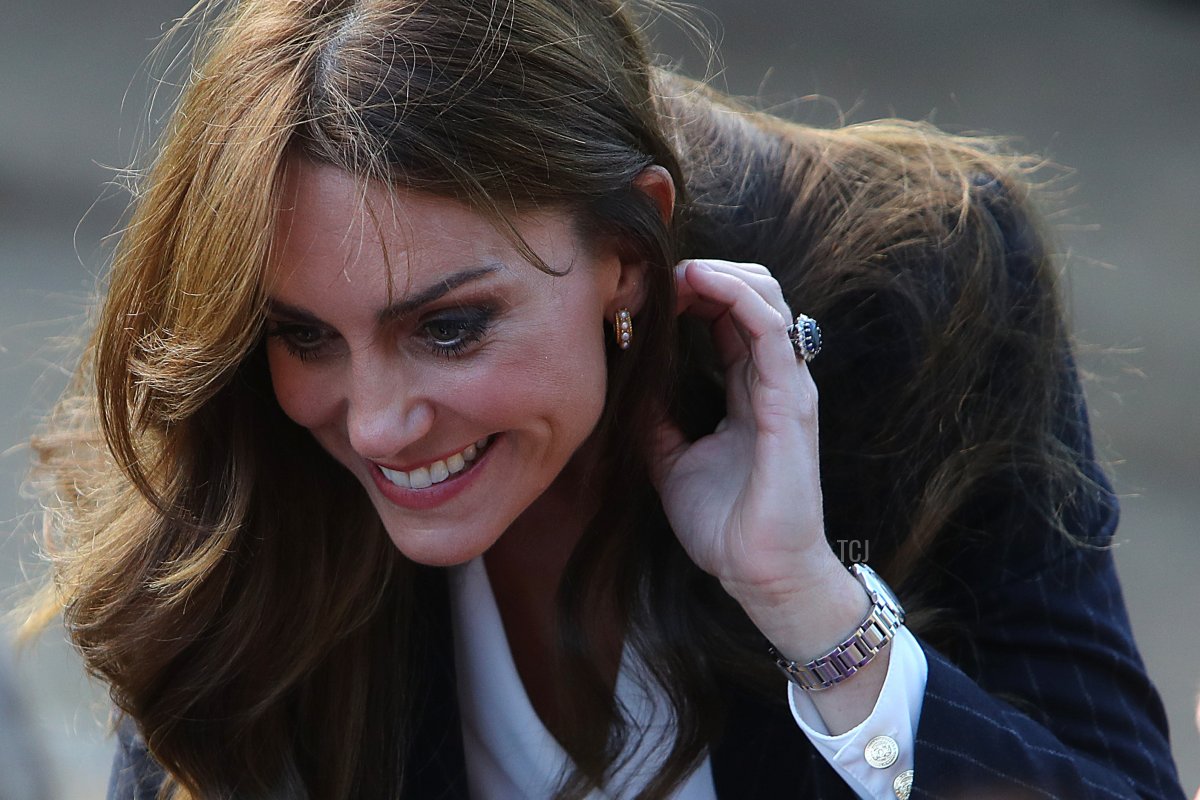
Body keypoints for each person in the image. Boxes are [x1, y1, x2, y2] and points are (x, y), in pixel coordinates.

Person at [21, 0, 1185, 798]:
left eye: (447, 326)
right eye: (305, 335)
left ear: (628, 251)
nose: (374, 421)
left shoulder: (912, 299)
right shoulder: (259, 464)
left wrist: (811, 607)